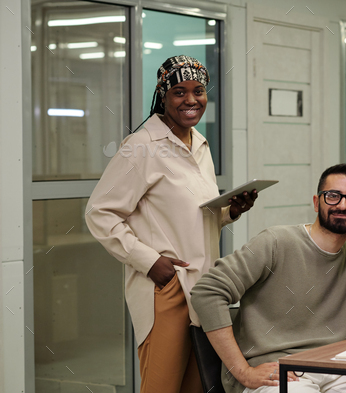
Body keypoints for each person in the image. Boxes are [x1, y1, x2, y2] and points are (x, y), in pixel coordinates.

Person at [86, 55, 256, 393]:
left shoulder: (199, 145)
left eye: (199, 91)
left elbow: (189, 218)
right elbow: (100, 213)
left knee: (198, 384)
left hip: (203, 287)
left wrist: (230, 212)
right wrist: (149, 262)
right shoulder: (141, 147)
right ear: (163, 96)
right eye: (179, 92)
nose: (191, 100)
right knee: (162, 386)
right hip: (165, 287)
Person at [191, 163, 346, 393]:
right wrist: (243, 372)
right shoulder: (275, 242)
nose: (342, 205)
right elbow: (207, 293)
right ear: (316, 202)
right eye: (333, 196)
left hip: (336, 368)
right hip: (277, 372)